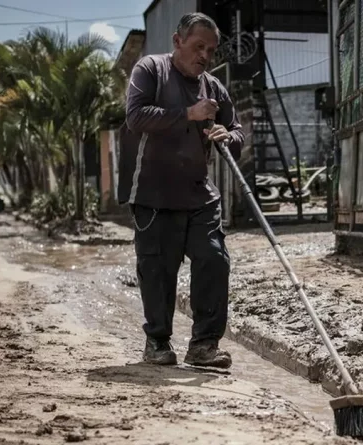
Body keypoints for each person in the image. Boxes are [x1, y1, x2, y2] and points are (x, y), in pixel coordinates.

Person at [122, 12, 245, 368]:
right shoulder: (151, 70)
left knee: (214, 259)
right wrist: (188, 114)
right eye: (197, 47)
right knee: (159, 271)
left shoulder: (214, 88)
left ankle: (204, 345)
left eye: (210, 49)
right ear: (177, 42)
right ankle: (157, 341)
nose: (205, 56)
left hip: (199, 196)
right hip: (154, 195)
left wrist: (229, 136)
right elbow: (136, 116)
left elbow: (235, 131)